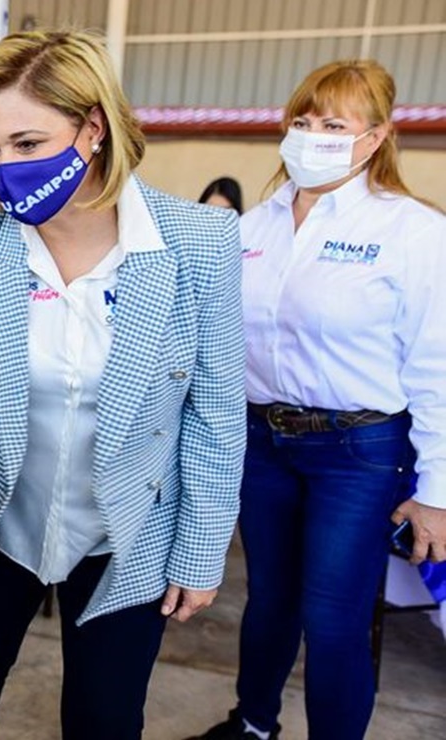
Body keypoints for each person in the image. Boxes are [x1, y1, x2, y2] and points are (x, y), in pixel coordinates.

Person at [0, 30, 246, 739]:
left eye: (27, 144)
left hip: (126, 529)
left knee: (103, 717)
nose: (4, 171)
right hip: (4, 520)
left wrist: (199, 548)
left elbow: (213, 413)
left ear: (92, 128)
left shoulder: (196, 244)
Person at [189, 60, 446, 740]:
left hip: (358, 451)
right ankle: (252, 724)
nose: (311, 136)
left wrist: (437, 492)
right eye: (302, 121)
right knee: (267, 599)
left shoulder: (411, 232)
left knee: (332, 615)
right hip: (262, 441)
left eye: (333, 124)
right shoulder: (250, 228)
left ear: (375, 138)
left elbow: (435, 368)